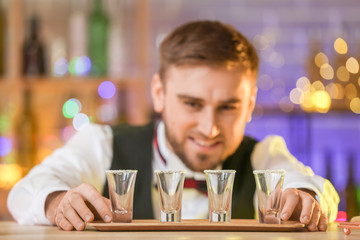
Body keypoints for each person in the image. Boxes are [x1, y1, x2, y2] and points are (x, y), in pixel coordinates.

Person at [8, 20, 339, 232]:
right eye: (192, 104)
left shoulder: (264, 156)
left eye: (228, 107)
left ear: (250, 104)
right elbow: (25, 192)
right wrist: (56, 201)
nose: (209, 128)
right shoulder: (103, 142)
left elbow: (313, 187)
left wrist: (305, 196)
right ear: (159, 93)